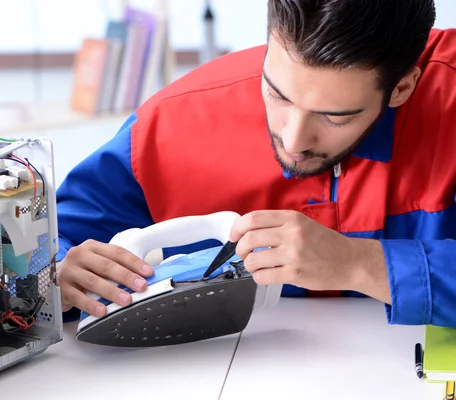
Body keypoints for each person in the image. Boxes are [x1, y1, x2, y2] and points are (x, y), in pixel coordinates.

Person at [55, 0, 456, 329]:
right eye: (277, 94)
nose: (294, 140)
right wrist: (60, 271)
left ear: (402, 87)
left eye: (335, 117)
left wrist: (359, 264)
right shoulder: (173, 123)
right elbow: (55, 240)